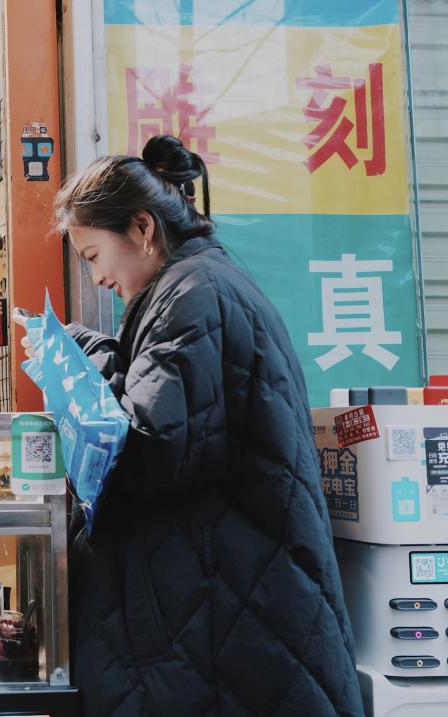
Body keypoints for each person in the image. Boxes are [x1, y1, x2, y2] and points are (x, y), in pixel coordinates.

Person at [47, 135, 363, 715]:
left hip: (228, 617)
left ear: (142, 228)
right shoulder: (194, 286)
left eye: (93, 256)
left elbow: (146, 448)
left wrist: (80, 365)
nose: (94, 278)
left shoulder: (196, 295)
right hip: (228, 605)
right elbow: (180, 411)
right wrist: (97, 351)